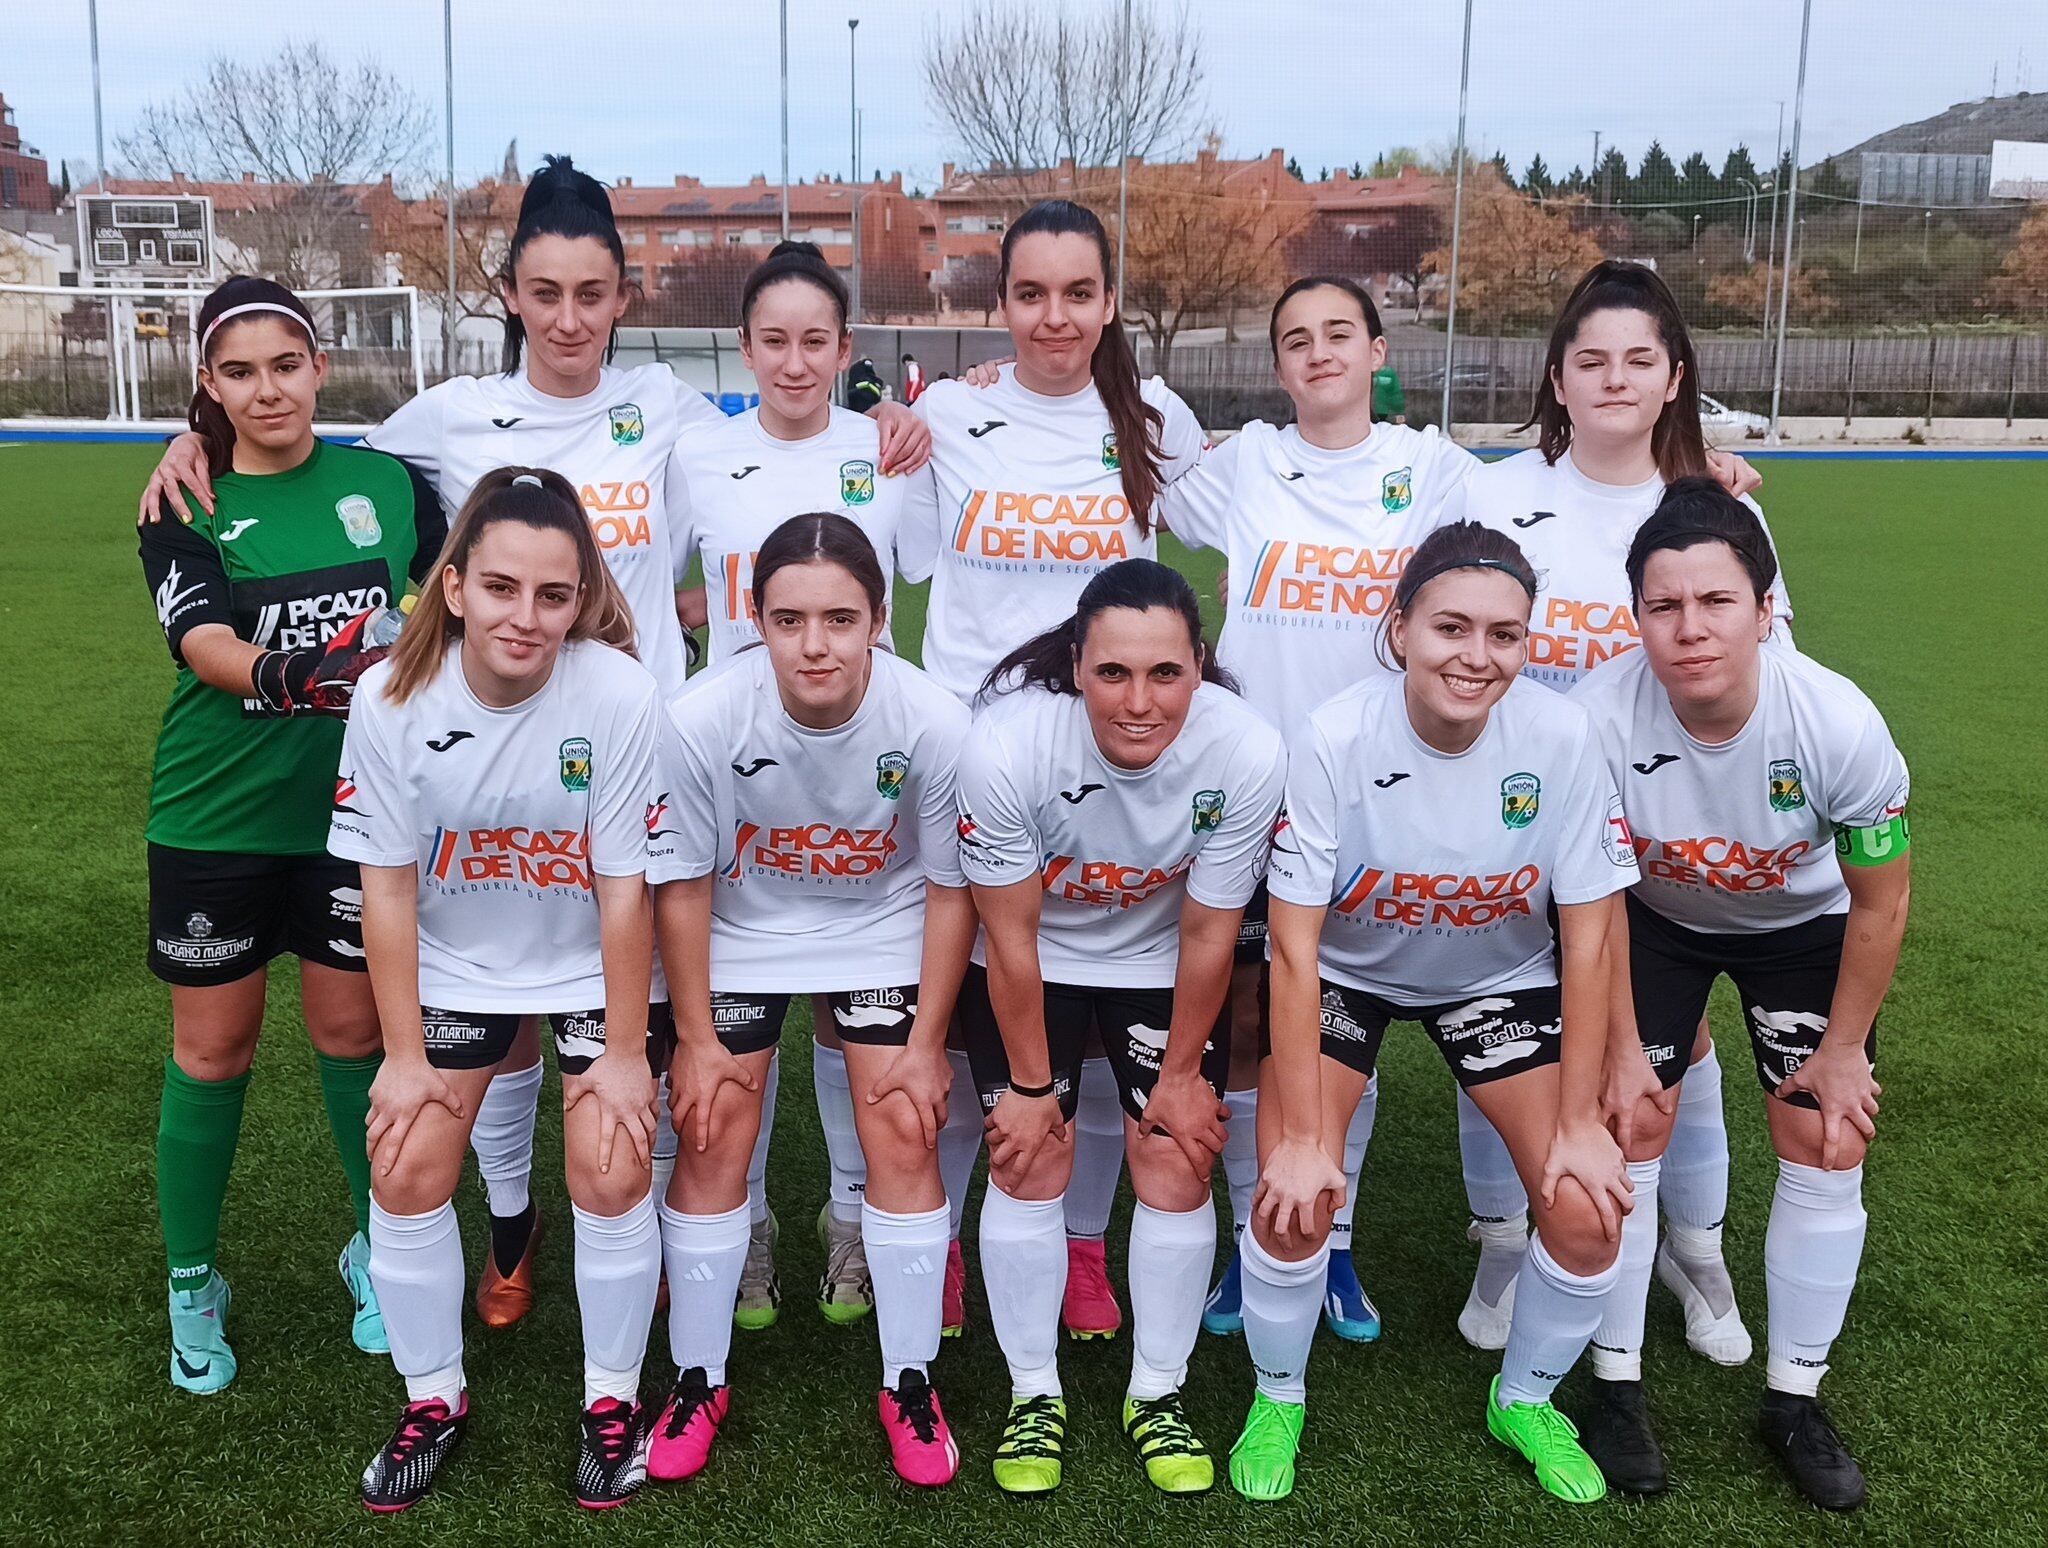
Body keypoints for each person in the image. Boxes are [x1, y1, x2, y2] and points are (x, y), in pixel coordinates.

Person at [141, 157, 929, 1331]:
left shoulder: (667, 408)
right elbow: (294, 435)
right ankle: (510, 1226)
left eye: (593, 293)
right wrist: (190, 435)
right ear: (510, 293)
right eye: (546, 291)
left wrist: (882, 403)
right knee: (505, 1016)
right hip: (499, 759)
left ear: (622, 301)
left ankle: (668, 1239)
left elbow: (791, 411)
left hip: (647, 759)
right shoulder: (448, 417)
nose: (569, 316)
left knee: (646, 1025)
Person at [1234, 521, 1637, 1505]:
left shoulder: (1561, 736)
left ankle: (1524, 1398)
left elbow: (1588, 935)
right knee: (1293, 1203)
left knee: (1586, 1215)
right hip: (1346, 974)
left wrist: (1581, 1122)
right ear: (1398, 629)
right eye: (1450, 628)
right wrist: (1293, 1136)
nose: (1476, 655)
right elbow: (1290, 944)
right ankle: (1276, 1394)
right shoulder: (1333, 736)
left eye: (1504, 635)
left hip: (1490, 982)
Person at [1451, 261, 1795, 1379]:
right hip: (1511, 824)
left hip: (1661, 834)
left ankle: (1693, 1250)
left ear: (1671, 376)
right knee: (1501, 1021)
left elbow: (1765, 664)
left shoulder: (1716, 506)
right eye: (1588, 360)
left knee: (1674, 1037)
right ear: (1555, 377)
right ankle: (1505, 1237)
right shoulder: (1496, 496)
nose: (1611, 379)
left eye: (1636, 359)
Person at [902, 199, 1210, 1340]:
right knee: (974, 1004)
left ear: (1109, 302)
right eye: (1029, 293)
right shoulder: (949, 413)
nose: (1053, 317)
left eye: (1077, 293)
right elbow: (862, 510)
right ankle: (929, 1235)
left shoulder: (1150, 417)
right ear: (998, 304)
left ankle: (1083, 1245)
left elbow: (1274, 501)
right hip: (977, 767)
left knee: (1081, 1027)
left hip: (1118, 763)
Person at [1572, 481, 1909, 1510]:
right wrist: (1622, 1046)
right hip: (1653, 927)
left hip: (1797, 931)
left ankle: (1793, 1400)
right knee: (1627, 1114)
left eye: (1714, 602)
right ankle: (1614, 1383)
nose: (1688, 628)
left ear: (1764, 610)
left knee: (1823, 1133)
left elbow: (1878, 904)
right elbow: (1590, 903)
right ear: (1635, 618)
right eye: (1662, 607)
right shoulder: (1593, 714)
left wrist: (1842, 1050)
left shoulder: (1837, 723)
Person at [334, 468, 665, 1511]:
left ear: (582, 600)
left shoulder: (615, 693)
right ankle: (433, 1395)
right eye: (503, 588)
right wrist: (400, 1057)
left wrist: (620, 1056)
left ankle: (610, 1402)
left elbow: (624, 890)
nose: (527, 618)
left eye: (554, 596)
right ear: (457, 585)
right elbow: (383, 890)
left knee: (611, 1167)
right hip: (459, 964)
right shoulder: (389, 696)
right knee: (404, 1164)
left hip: (587, 962)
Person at [138, 275, 443, 1394]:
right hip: (214, 815)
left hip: (357, 821)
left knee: (351, 1036)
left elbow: (455, 583)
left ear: (319, 366)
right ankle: (191, 1280)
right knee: (212, 1050)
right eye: (240, 371)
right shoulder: (186, 500)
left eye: (286, 364)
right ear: (209, 386)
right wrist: (299, 674)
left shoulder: (385, 482)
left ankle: (378, 1250)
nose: (268, 389)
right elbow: (201, 643)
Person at [1162, 275, 1481, 1346]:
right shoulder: (1245, 460)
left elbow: (1557, 508)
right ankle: (1255, 1236)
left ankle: (1330, 1245)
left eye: (1337, 334)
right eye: (1293, 339)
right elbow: (1111, 453)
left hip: (1377, 794)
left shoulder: (1428, 469)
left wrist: (1692, 465)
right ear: (1276, 366)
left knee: (1349, 1022)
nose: (1317, 353)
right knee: (1249, 1022)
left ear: (1377, 349)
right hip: (1258, 785)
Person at [645, 514, 974, 1488]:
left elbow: (951, 890)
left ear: (878, 619)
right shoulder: (702, 716)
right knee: (708, 1130)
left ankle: (908, 1380)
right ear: (754, 621)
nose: (814, 643)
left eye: (839, 618)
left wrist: (923, 1042)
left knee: (906, 1131)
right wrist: (697, 1038)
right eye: (788, 619)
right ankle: (698, 1378)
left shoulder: (931, 719)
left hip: (879, 924)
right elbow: (683, 887)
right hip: (743, 930)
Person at [957, 558, 1285, 1496]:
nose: (1139, 702)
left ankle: (1158, 1390)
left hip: (1158, 962)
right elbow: (1009, 936)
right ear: (1075, 665)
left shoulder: (1246, 751)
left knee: (1176, 1155)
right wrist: (1028, 1090)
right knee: (1030, 1156)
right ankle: (1032, 1393)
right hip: (1035, 964)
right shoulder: (1009, 744)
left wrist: (1183, 1076)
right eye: (1113, 674)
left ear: (1199, 665)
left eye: (1165, 674)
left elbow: (1209, 927)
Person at [667, 242, 940, 1329]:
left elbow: (923, 578)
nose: (793, 362)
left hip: (852, 759)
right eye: (772, 341)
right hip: (732, 764)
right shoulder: (695, 452)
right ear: (744, 347)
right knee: (743, 1008)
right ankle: (747, 1238)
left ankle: (849, 1223)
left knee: (845, 1007)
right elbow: (647, 575)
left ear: (843, 349)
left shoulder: (887, 453)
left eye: (814, 342)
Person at [1371, 357, 1405, 425]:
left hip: (1383, 409)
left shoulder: (1388, 373)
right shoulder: (1371, 373)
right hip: (1378, 409)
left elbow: (1396, 391)